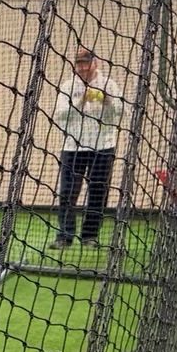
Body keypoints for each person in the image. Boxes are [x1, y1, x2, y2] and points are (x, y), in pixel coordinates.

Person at [50, 47, 124, 250]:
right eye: (79, 64)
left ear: (95, 63)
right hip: (73, 146)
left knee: (98, 191)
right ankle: (64, 237)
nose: (83, 68)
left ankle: (89, 236)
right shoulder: (68, 86)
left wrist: (108, 100)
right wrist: (80, 100)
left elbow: (121, 112)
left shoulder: (109, 84)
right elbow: (59, 114)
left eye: (86, 63)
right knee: (68, 192)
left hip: (103, 146)